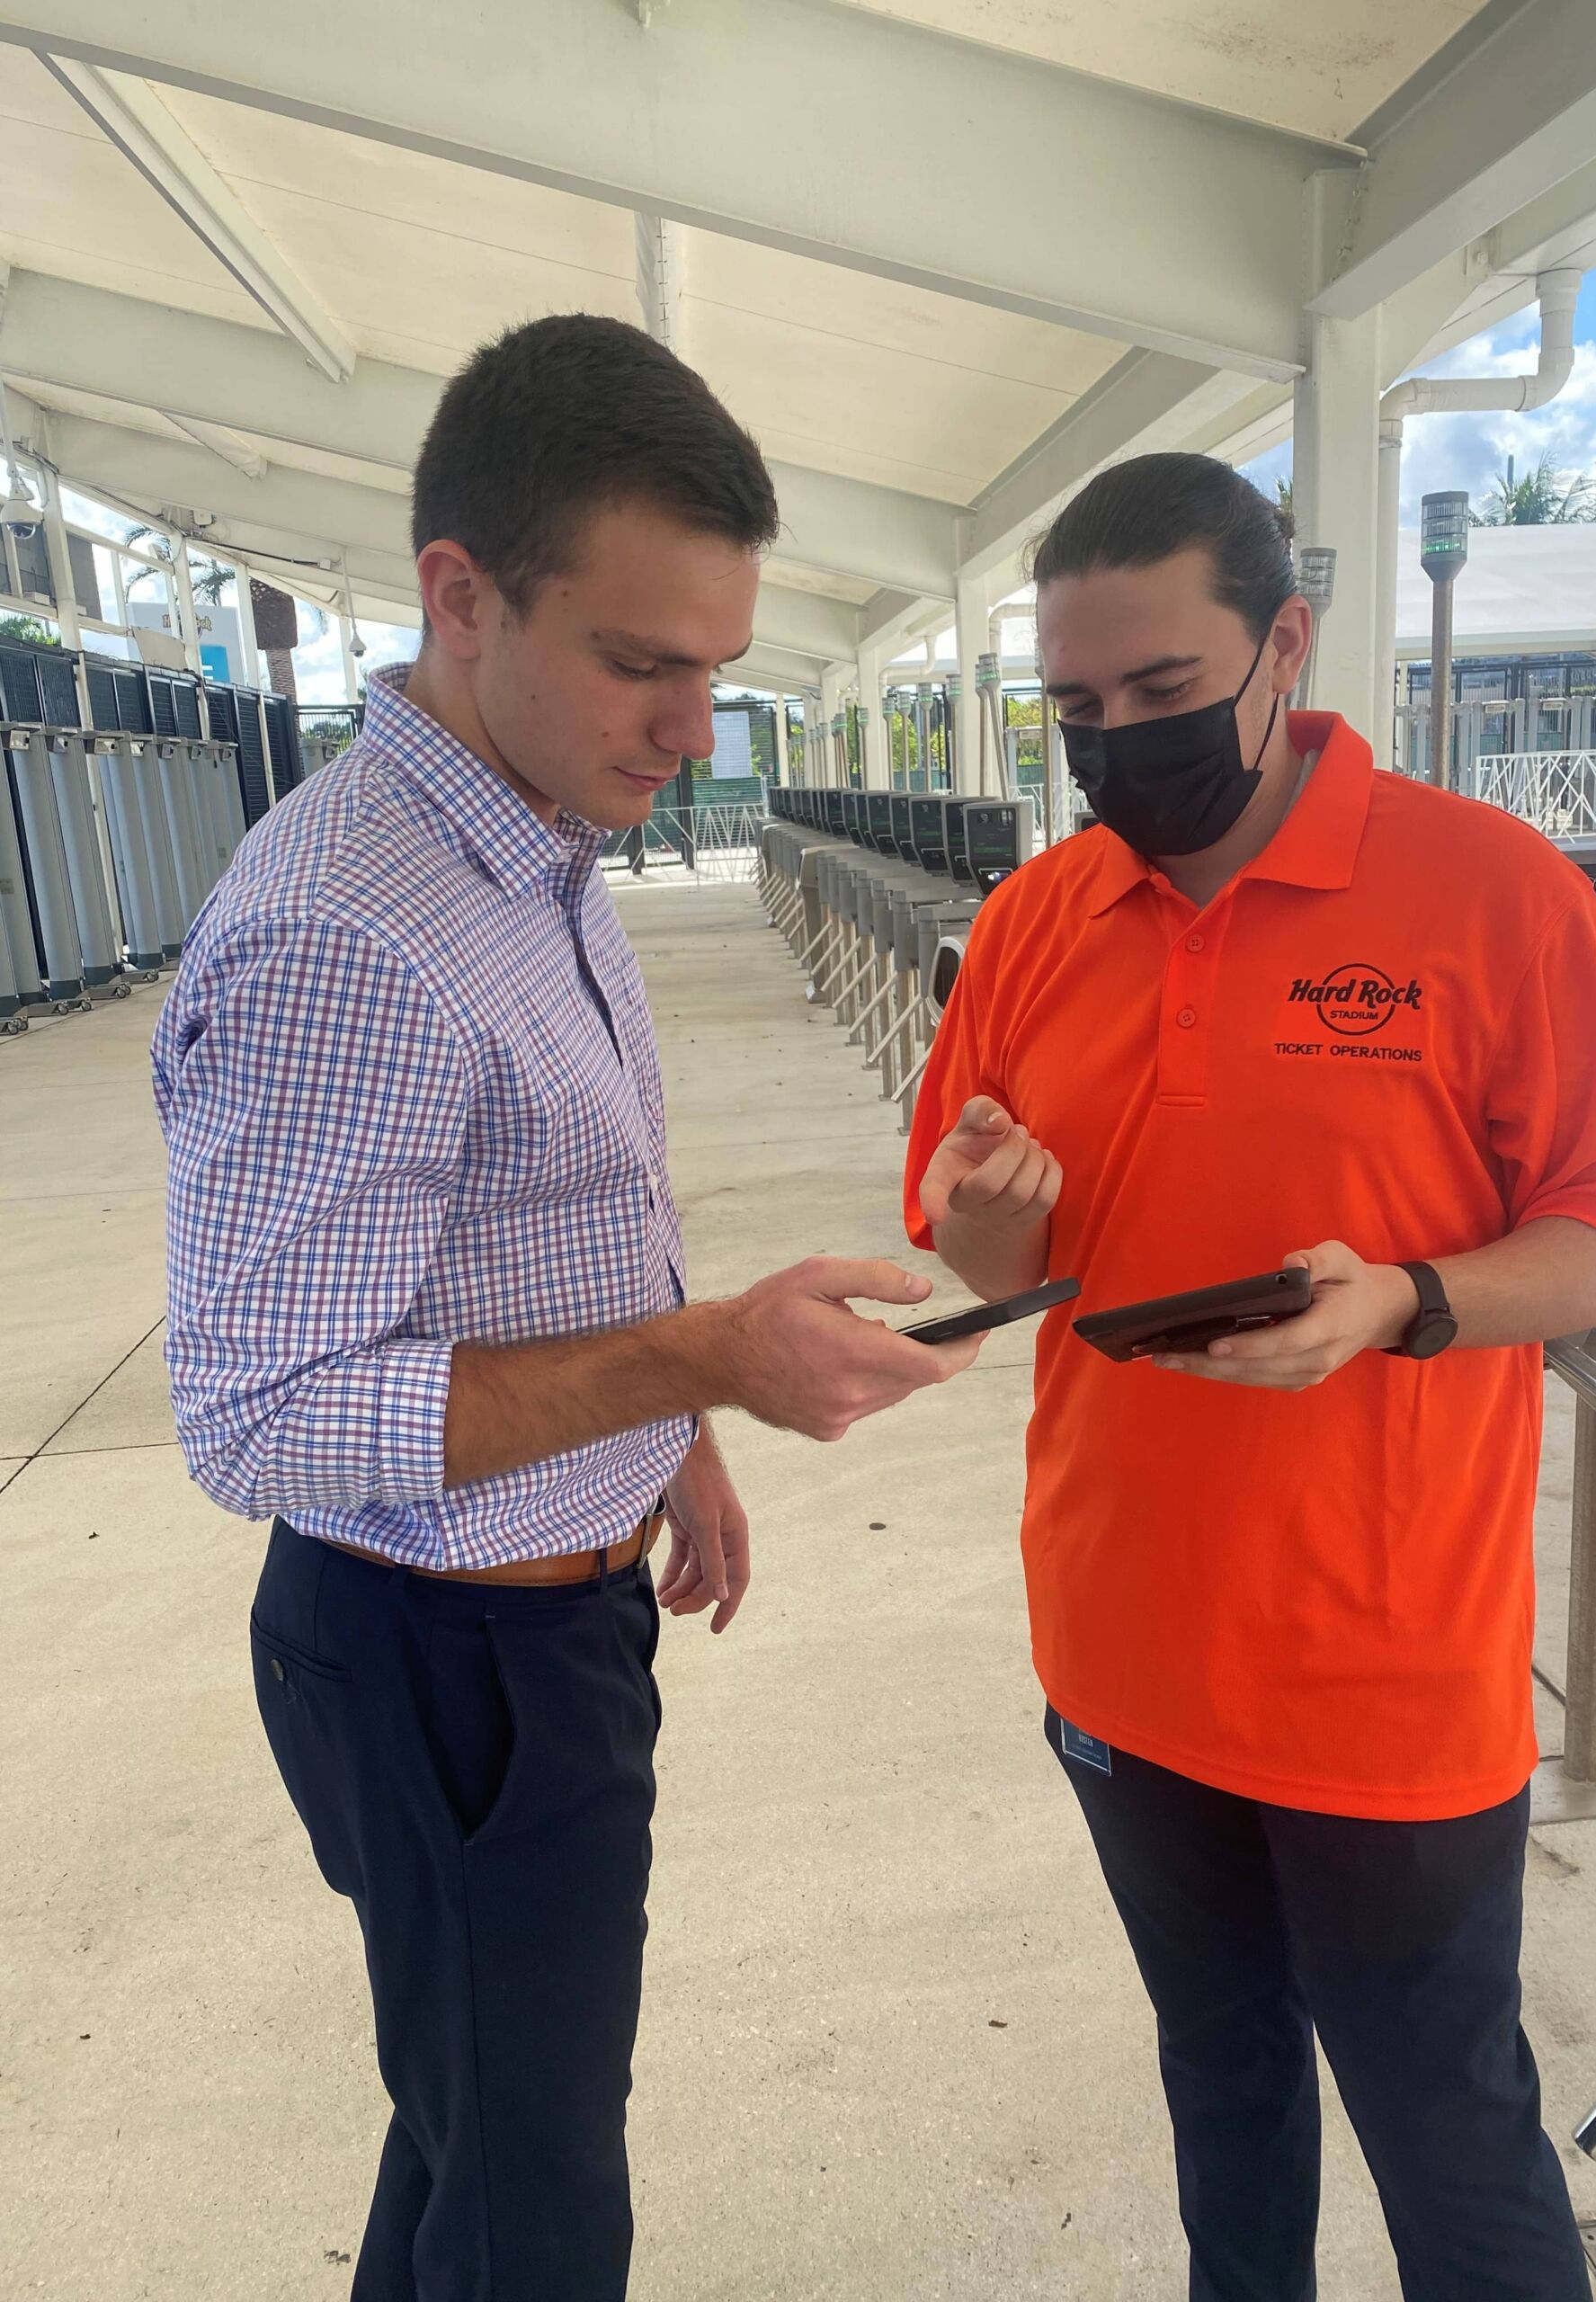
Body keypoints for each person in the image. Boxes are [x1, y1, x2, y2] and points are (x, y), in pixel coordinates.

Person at [153, 313, 981, 2302]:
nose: (694, 722)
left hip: (538, 1614)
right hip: (447, 1657)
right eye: (642, 660)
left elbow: (551, 1216)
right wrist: (701, 1357)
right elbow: (262, 1412)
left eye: (714, 664)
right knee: (535, 2205)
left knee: (480, 2129)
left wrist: (668, 1433)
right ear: (461, 595)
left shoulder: (532, 843)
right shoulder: (354, 928)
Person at [905, 452, 1596, 2302]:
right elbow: (999, 1259)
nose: (1118, 745)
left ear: (1286, 643)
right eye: (1079, 709)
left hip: (1381, 1662)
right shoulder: (1040, 919)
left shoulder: (1483, 890)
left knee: (1447, 2125)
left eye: (1164, 694)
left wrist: (1414, 1296)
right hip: (1121, 1639)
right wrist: (986, 1221)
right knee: (1225, 2086)